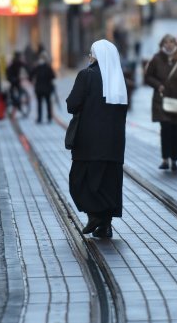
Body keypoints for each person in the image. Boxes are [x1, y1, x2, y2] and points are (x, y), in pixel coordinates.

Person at [67, 39, 128, 239]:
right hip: (113, 145)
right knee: (108, 183)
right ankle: (105, 225)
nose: (90, 57)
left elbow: (72, 105)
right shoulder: (118, 79)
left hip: (88, 142)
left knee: (81, 181)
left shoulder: (87, 75)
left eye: (91, 53)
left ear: (96, 56)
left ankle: (94, 216)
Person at [144, 34, 177, 172]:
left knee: (176, 130)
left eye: (171, 42)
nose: (169, 44)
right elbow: (148, 77)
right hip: (161, 100)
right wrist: (158, 85)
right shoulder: (156, 59)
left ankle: (175, 160)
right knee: (165, 129)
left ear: (175, 44)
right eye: (166, 42)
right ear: (162, 44)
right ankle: (165, 159)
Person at [30, 54, 56, 123]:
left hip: (39, 89)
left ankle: (40, 118)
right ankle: (48, 118)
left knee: (40, 104)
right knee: (47, 103)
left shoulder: (37, 67)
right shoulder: (48, 67)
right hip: (46, 88)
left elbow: (31, 75)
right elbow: (53, 76)